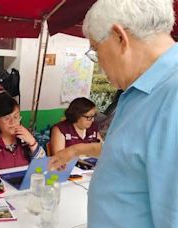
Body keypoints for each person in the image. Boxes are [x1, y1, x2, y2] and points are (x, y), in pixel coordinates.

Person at [81, 0, 178, 227]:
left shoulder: (172, 94)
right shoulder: (141, 89)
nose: (100, 65)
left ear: (119, 37)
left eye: (96, 49)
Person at [49, 90, 123, 170]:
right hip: (68, 170)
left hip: (88, 169)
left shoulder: (93, 127)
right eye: (89, 117)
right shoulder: (61, 129)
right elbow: (59, 157)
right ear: (77, 115)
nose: (92, 120)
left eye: (94, 116)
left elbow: (102, 150)